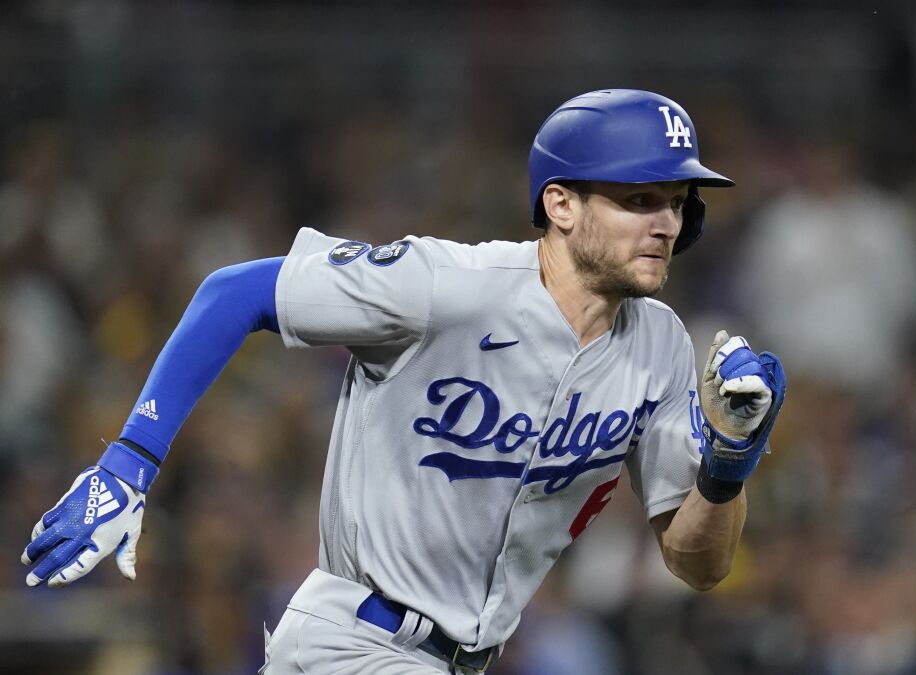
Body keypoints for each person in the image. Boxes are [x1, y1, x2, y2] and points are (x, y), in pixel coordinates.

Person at [19, 89, 786, 674]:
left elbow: (697, 563)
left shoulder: (658, 346)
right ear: (559, 203)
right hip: (352, 641)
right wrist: (130, 458)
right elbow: (235, 292)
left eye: (678, 203)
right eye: (639, 199)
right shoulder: (446, 285)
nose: (667, 222)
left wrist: (727, 462)